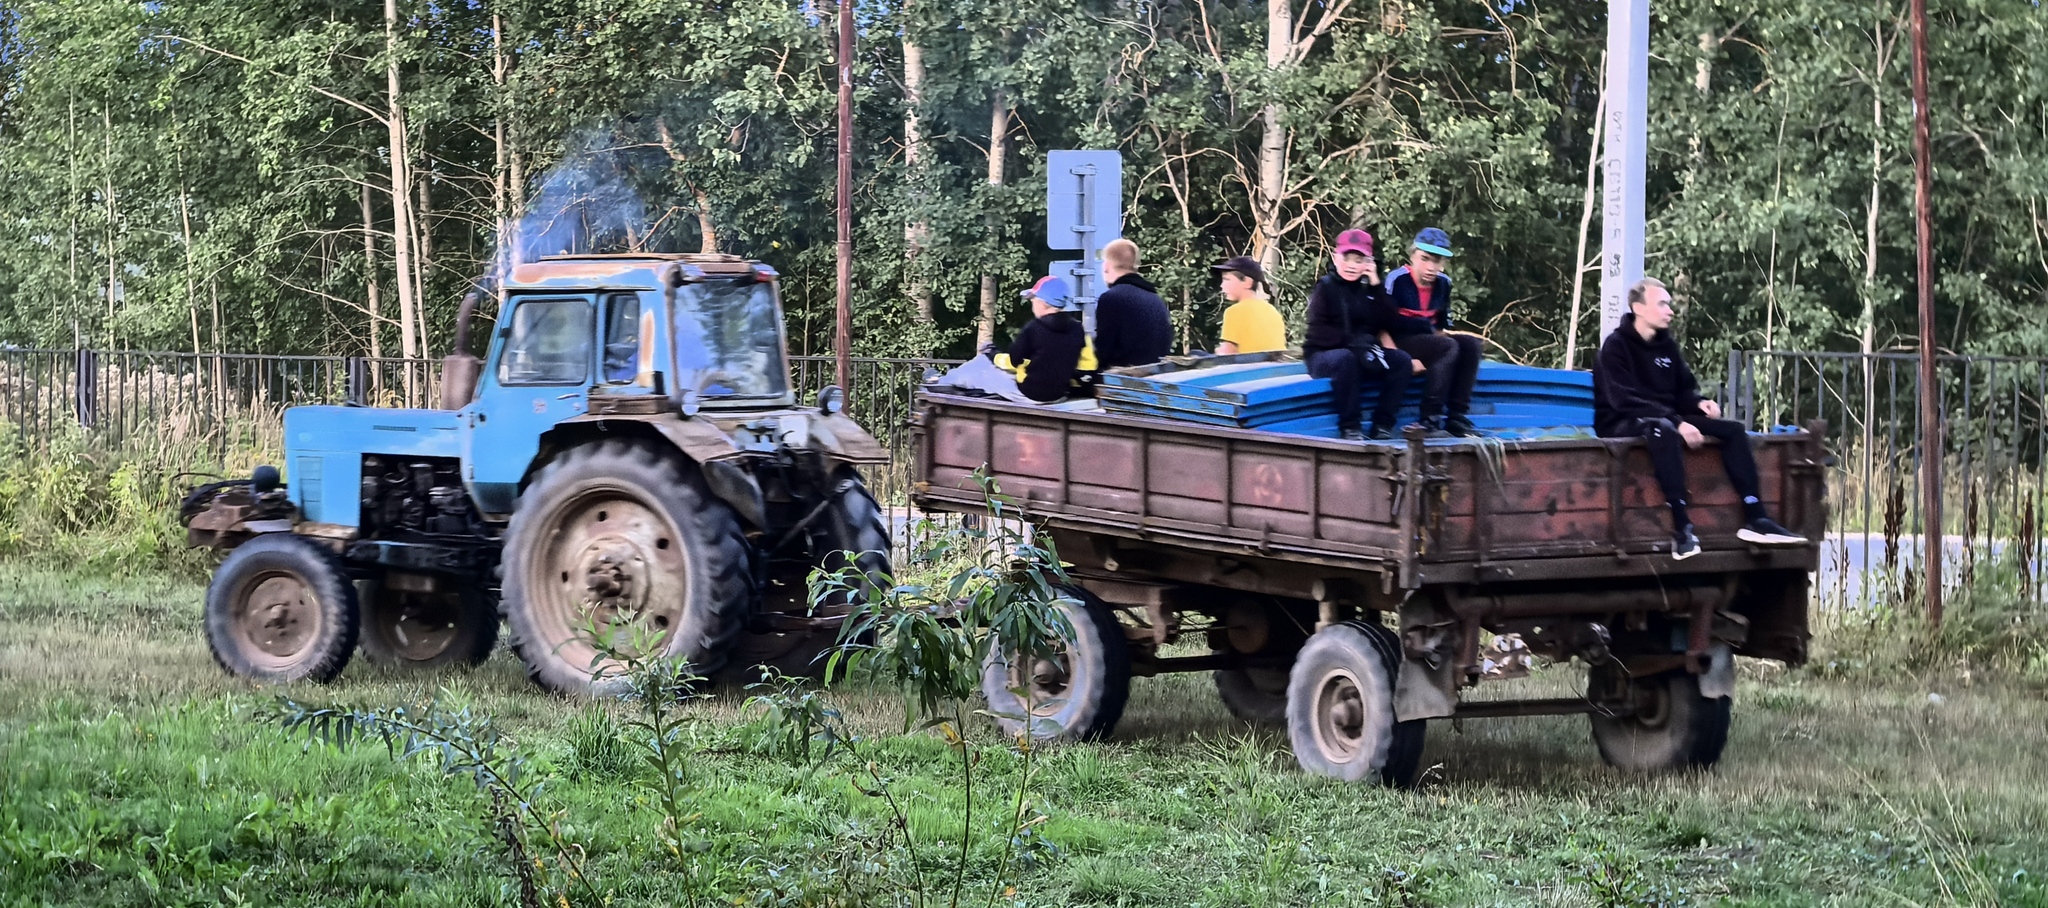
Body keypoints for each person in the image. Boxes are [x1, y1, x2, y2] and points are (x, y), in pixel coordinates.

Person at [1595, 277, 1807, 559]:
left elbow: (1683, 390)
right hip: (1621, 421)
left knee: (1731, 430)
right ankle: (1683, 529)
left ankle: (1756, 517)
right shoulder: (1615, 347)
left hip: (1668, 417)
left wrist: (1699, 403)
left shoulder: (1666, 347)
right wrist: (1679, 421)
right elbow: (1624, 400)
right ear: (1638, 308)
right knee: (1663, 429)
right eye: (1662, 304)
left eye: (1669, 304)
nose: (1670, 310)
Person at [1304, 230, 1415, 441]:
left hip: (1363, 353)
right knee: (1346, 359)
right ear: (1336, 258)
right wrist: (1353, 343)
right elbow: (1317, 331)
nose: (1352, 265)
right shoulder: (1325, 287)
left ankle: (1383, 425)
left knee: (1401, 361)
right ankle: (1350, 427)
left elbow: (1390, 320)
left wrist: (1375, 284)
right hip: (1324, 355)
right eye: (1347, 258)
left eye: (1359, 259)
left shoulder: (1368, 289)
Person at [1380, 228, 1483, 437]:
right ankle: (1429, 419)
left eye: (1436, 261)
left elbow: (1439, 327)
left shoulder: (1444, 284)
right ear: (1412, 256)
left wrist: (1455, 352)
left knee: (1471, 345)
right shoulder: (1397, 280)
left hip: (1426, 338)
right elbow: (1378, 324)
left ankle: (1456, 417)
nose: (1430, 267)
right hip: (1398, 339)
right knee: (1447, 347)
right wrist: (1399, 357)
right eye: (1425, 259)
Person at [995, 275, 1100, 403]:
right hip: (1060, 393)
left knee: (979, 369)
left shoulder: (1032, 329)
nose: (1032, 304)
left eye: (1032, 299)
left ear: (1042, 303)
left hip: (1030, 392)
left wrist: (994, 356)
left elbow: (1014, 362)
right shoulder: (1078, 329)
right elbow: (1088, 365)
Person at [1093, 238, 1173, 368]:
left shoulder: (1112, 298)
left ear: (1106, 266)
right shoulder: (1155, 299)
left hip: (1122, 380)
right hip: (1155, 377)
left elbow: (1103, 350)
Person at [1213, 255, 1286, 355]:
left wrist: (1219, 351)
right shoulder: (1272, 310)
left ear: (1247, 282)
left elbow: (1227, 354)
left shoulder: (1234, 312)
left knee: (1196, 354)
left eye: (1227, 280)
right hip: (1271, 366)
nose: (1222, 285)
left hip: (1247, 367)